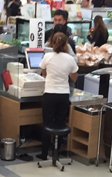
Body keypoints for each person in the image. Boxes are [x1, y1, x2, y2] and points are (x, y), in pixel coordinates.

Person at [37, 32, 78, 161]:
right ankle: (57, 152)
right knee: (60, 123)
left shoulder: (47, 56)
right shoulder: (70, 59)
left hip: (49, 94)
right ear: (66, 44)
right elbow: (74, 77)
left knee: (47, 123)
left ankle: (44, 153)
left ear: (52, 43)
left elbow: (44, 73)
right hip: (63, 95)